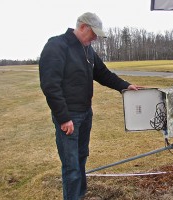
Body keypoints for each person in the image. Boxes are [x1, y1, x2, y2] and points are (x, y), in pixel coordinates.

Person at [39, 12, 140, 200]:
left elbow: (103, 73)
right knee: (71, 165)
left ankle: (81, 194)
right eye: (93, 33)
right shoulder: (57, 45)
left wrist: (124, 86)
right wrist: (63, 117)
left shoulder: (87, 50)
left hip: (85, 113)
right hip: (69, 117)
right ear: (83, 27)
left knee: (81, 157)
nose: (95, 38)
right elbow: (50, 85)